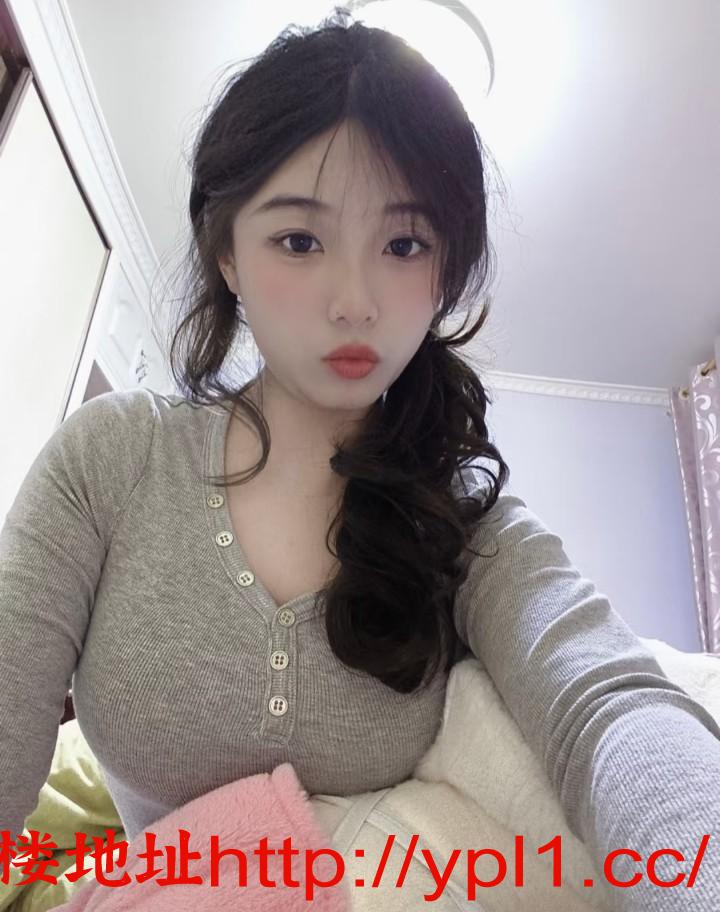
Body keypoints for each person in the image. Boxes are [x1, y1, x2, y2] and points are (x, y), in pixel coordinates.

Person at [1, 9, 718, 910]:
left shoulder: (467, 522)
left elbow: (607, 700)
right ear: (227, 253)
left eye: (404, 245)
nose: (355, 301)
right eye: (300, 241)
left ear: (443, 269)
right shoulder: (112, 459)